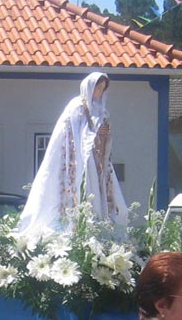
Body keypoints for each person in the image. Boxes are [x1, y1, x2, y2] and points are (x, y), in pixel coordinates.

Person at [16, 71, 127, 238]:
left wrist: (104, 134)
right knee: (76, 194)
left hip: (96, 160)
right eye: (97, 88)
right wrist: (94, 134)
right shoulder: (77, 106)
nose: (99, 92)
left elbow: (102, 137)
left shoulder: (101, 111)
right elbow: (74, 135)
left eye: (102, 89)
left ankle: (97, 229)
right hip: (78, 159)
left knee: (98, 198)